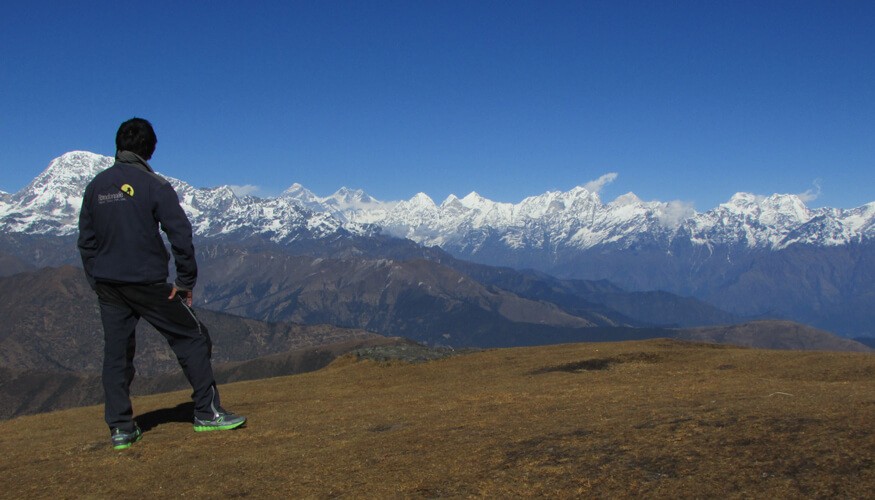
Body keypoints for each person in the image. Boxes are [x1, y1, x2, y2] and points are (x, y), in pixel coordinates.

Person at [78, 118, 245, 450]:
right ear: (150, 149)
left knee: (116, 355)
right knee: (193, 337)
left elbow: (87, 241)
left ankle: (121, 428)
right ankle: (207, 412)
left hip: (109, 285)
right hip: (148, 282)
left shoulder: (96, 187)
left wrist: (97, 278)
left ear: (118, 145)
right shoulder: (154, 185)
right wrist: (185, 281)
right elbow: (180, 234)